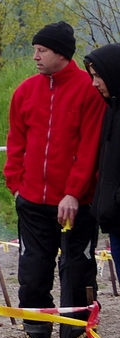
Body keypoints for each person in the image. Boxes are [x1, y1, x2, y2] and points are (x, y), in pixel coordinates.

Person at [4, 21, 105, 338]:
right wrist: (16, 185)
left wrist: (74, 192)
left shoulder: (88, 91)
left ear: (61, 53)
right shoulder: (24, 91)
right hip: (33, 205)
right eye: (34, 50)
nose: (35, 56)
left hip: (77, 205)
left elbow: (91, 147)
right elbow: (16, 142)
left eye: (41, 50)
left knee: (78, 279)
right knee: (32, 282)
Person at [85, 45, 120, 285]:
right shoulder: (111, 110)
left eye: (98, 76)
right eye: (92, 76)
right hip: (115, 221)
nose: (94, 83)